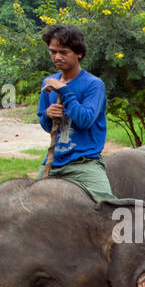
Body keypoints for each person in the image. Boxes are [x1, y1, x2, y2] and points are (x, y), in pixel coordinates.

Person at [36, 24, 114, 201]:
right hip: (54, 161)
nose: (57, 57)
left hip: (85, 163)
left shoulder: (94, 85)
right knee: (28, 205)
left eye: (63, 52)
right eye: (53, 52)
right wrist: (48, 114)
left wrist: (64, 91)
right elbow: (45, 125)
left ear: (79, 53)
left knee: (107, 206)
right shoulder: (48, 83)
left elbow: (85, 120)